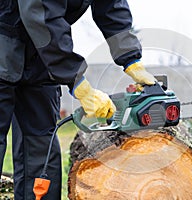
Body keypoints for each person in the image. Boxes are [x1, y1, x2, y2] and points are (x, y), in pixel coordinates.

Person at [0, 0, 155, 199]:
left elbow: (111, 6)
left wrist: (131, 58)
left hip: (41, 55)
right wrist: (78, 82)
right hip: (8, 37)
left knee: (41, 146)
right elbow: (39, 11)